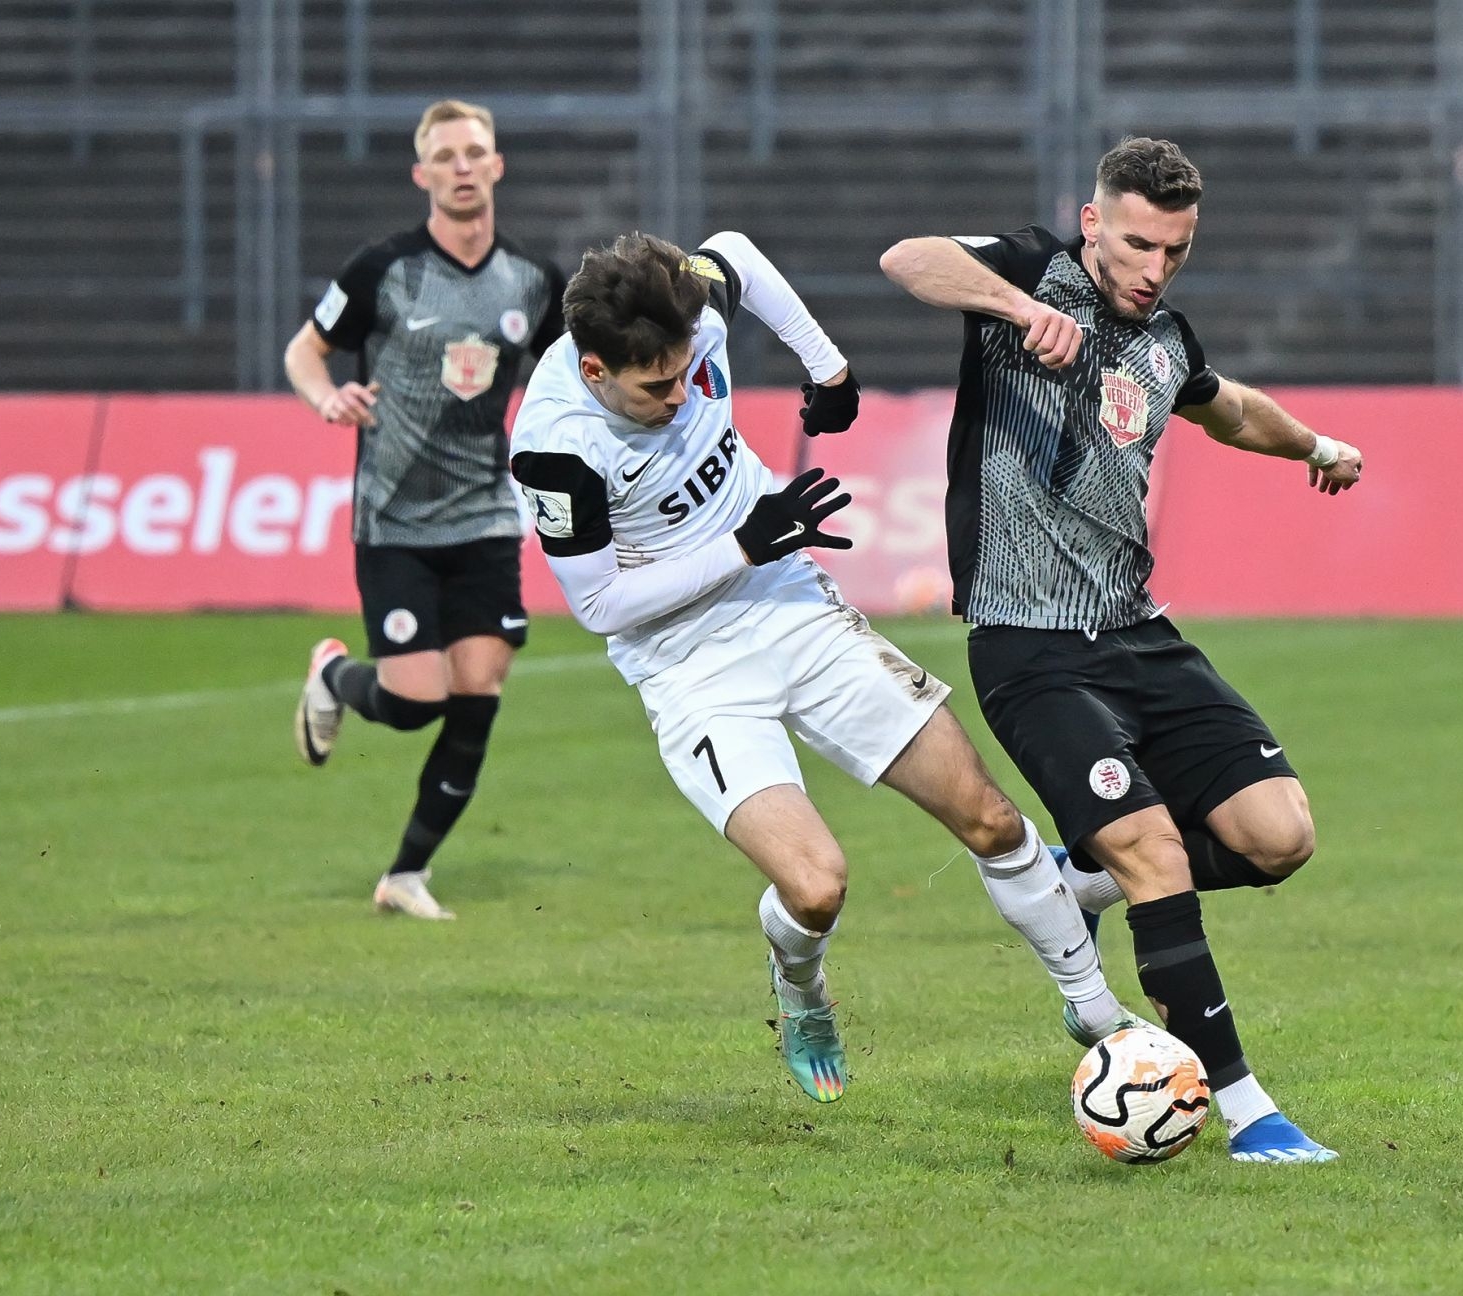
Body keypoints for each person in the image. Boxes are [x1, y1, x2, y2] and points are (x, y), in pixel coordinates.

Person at [509, 230, 1139, 1104]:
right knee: (815, 887)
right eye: (656, 387)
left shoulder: (688, 308)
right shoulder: (555, 448)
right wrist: (743, 542)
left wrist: (828, 368)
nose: (682, 396)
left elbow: (734, 251)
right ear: (593, 371)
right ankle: (800, 988)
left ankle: (1098, 1014)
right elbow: (601, 605)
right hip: (687, 664)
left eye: (687, 371)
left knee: (989, 817)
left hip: (790, 606)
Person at [880, 136, 1362, 1161]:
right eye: (1138, 244)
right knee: (1154, 851)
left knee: (1280, 836)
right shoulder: (1029, 272)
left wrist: (1315, 446)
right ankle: (1246, 1112)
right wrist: (1019, 312)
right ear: (1093, 222)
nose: (1154, 269)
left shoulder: (1165, 338)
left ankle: (1082, 879)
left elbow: (1230, 411)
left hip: (1140, 636)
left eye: (1175, 251)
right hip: (1030, 648)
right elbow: (907, 258)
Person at [283, 99, 566, 920]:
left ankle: (407, 874)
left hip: (486, 516)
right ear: (422, 174)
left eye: (475, 152)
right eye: (445, 156)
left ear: (497, 165)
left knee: (478, 691)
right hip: (395, 519)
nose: (462, 166)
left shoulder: (533, 280)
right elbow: (305, 350)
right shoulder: (383, 269)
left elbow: (571, 379)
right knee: (414, 703)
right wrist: (327, 397)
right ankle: (333, 676)